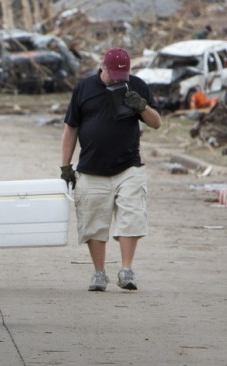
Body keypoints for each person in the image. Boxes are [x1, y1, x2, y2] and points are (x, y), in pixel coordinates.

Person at [60, 47, 161, 291]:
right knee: (94, 222)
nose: (117, 80)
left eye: (122, 76)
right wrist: (65, 165)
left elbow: (156, 122)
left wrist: (141, 106)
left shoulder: (136, 85)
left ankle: (126, 270)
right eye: (113, 74)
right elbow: (70, 128)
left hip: (129, 167)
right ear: (102, 68)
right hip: (91, 169)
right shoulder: (84, 89)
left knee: (131, 217)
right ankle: (99, 273)